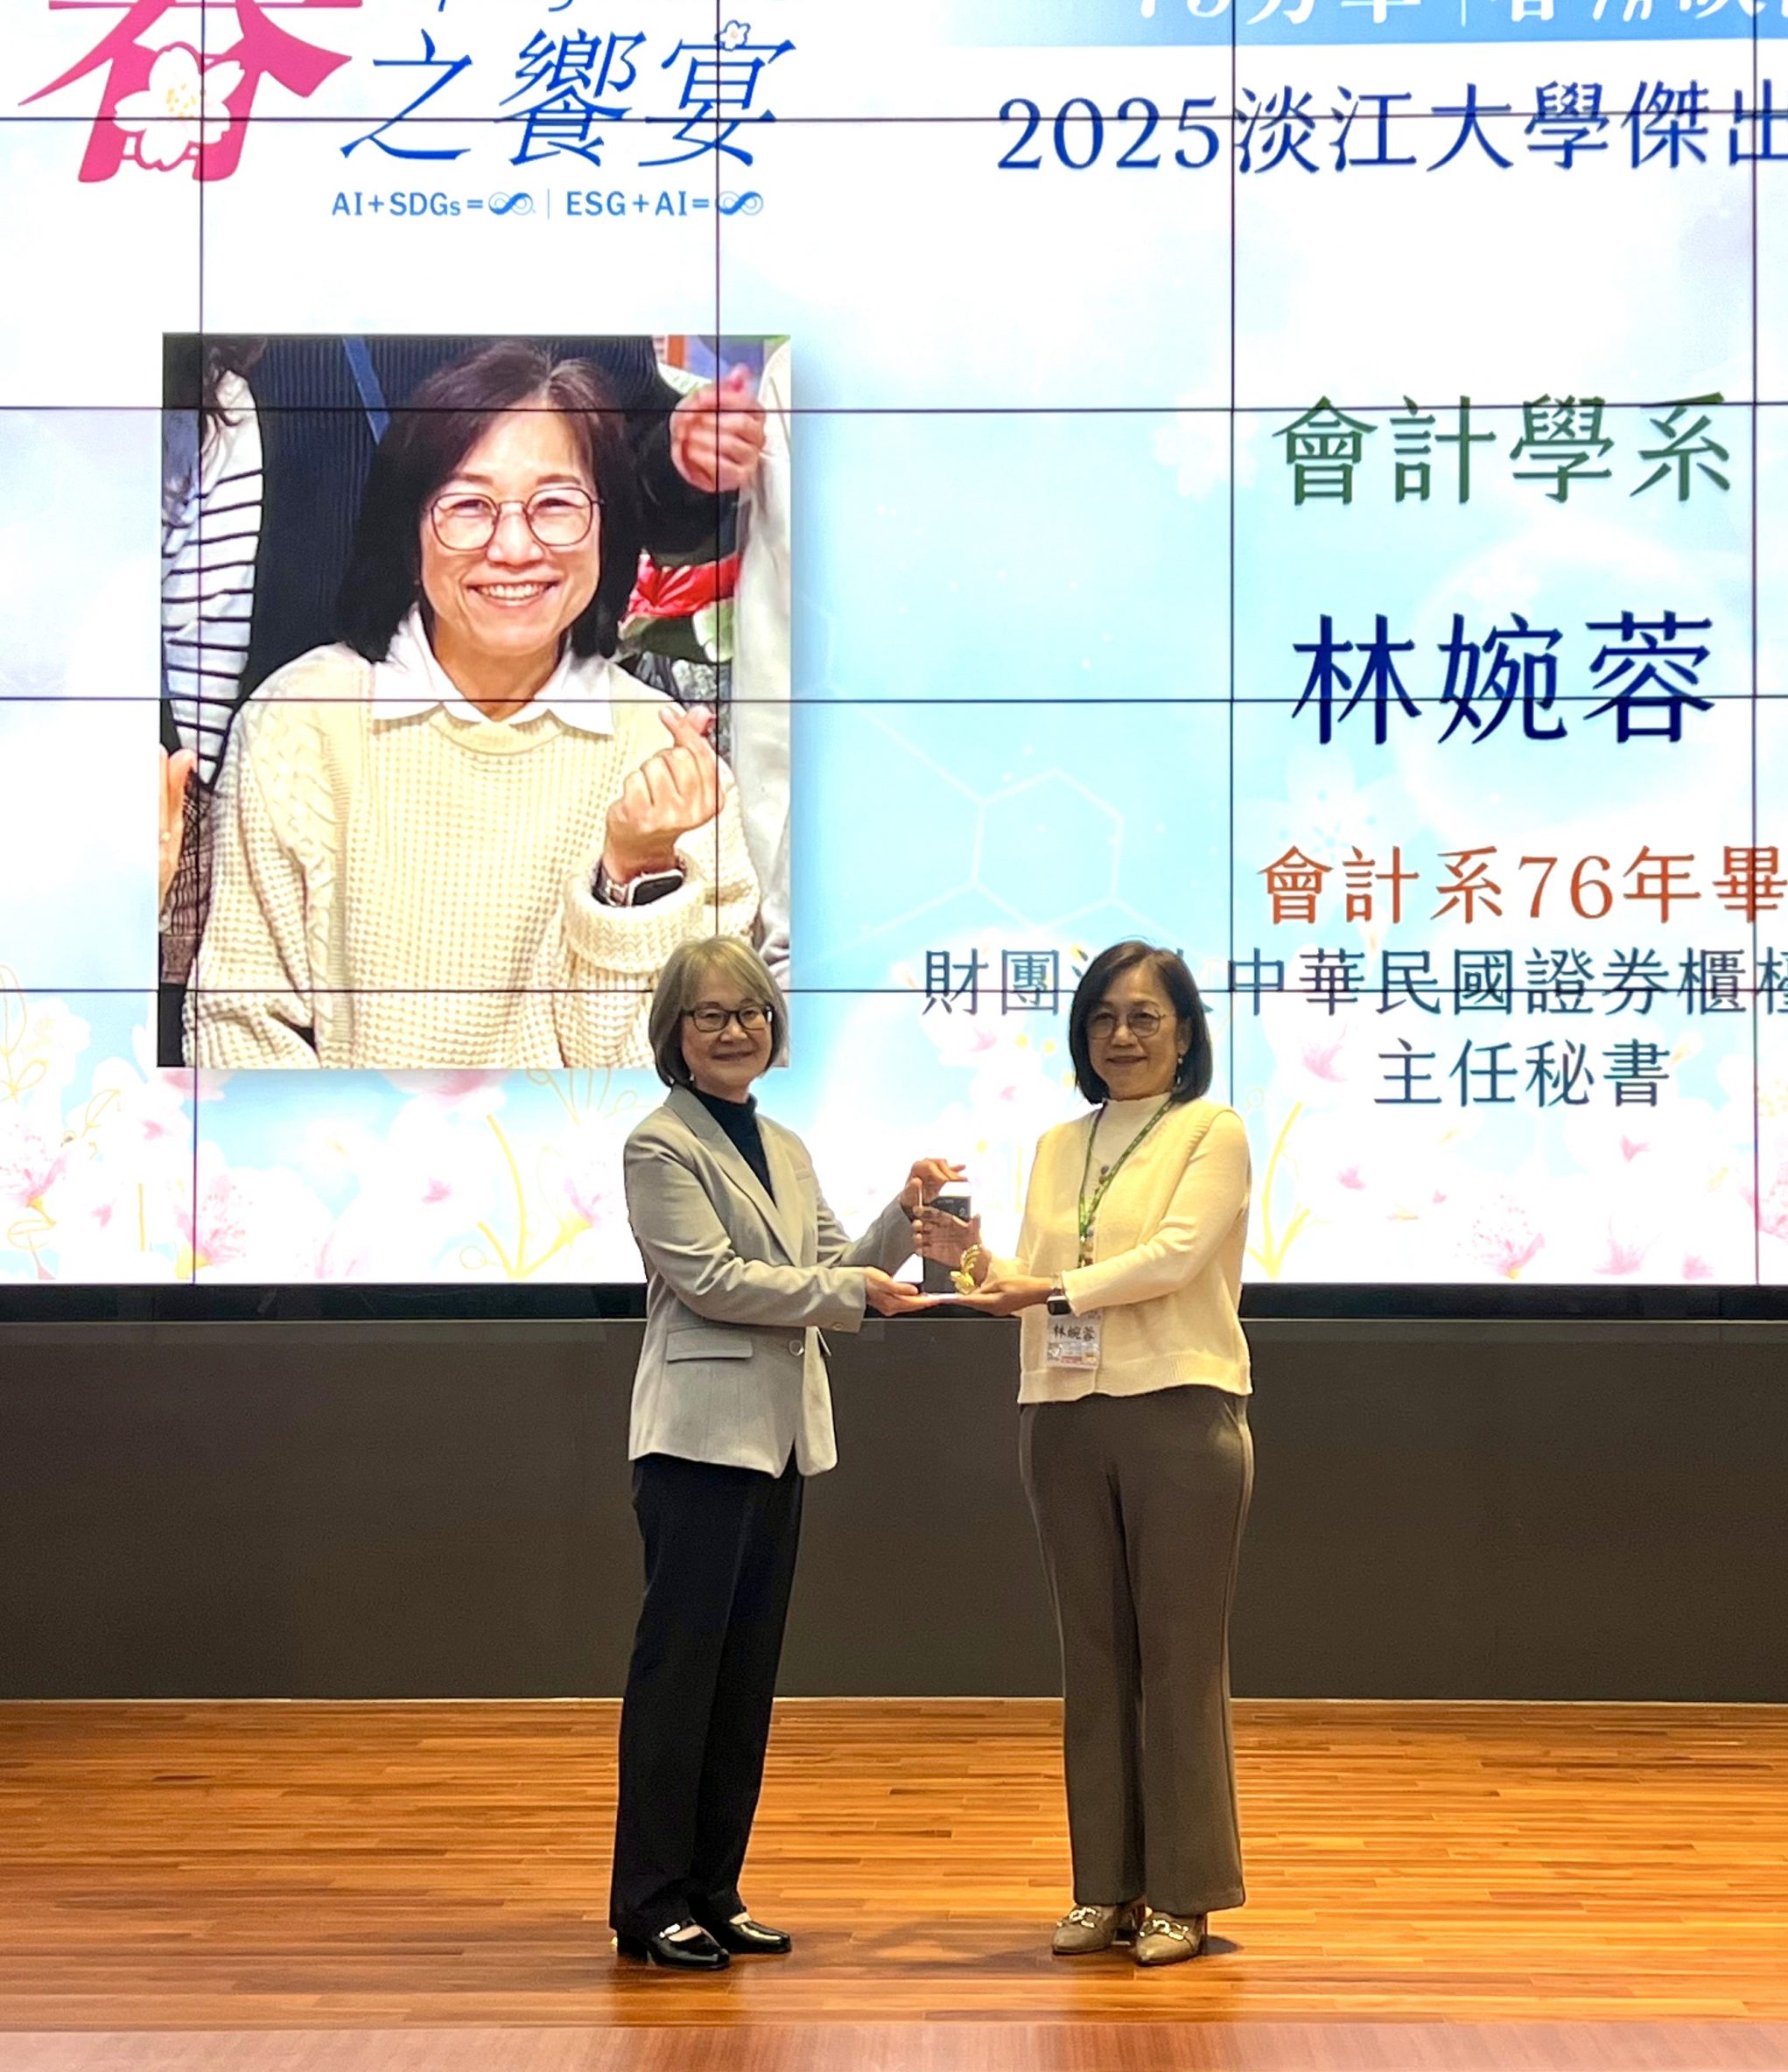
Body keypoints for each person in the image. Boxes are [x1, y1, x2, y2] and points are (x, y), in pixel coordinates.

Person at [187, 340, 760, 1068]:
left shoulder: (668, 764)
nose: (514, 548)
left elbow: (691, 1077)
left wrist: (633, 875)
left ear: (609, 527)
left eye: (556, 504)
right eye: (468, 506)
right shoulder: (302, 721)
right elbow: (236, 1026)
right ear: (409, 530)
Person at [611, 934, 957, 1970]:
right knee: (680, 1676)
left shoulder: (785, 1145)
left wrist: (904, 1214)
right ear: (675, 1031)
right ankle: (649, 1901)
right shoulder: (657, 1145)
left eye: (752, 1010)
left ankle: (713, 1888)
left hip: (781, 1442)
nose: (735, 1030)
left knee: (743, 1677)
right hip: (696, 1441)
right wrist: (849, 1289)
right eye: (711, 1013)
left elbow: (834, 1265)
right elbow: (713, 1281)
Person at [929, 941, 1252, 1966]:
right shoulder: (1057, 1143)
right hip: (1062, 1408)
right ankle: (1104, 1886)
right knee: (1095, 1657)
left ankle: (1183, 1895)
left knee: (1177, 1660)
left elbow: (1173, 1257)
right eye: (1102, 1017)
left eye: (1144, 1016)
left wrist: (1051, 1288)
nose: (1121, 1035)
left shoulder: (1211, 1130)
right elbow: (1034, 1272)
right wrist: (970, 1262)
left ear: (1184, 1033)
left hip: (1179, 1406)